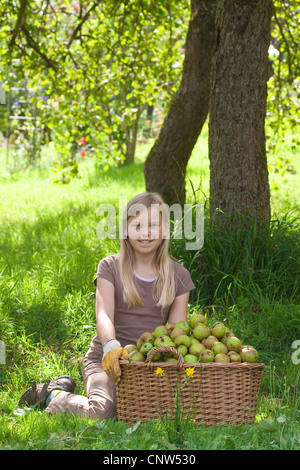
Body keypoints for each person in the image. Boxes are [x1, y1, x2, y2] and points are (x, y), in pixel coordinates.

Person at [18, 192, 195, 420]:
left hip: (149, 363)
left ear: (163, 231)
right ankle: (50, 395)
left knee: (156, 412)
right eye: (137, 225)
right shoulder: (110, 267)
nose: (145, 233)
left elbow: (175, 331)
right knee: (104, 412)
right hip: (106, 359)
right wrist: (111, 345)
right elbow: (103, 315)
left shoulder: (178, 276)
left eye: (153, 225)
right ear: (125, 230)